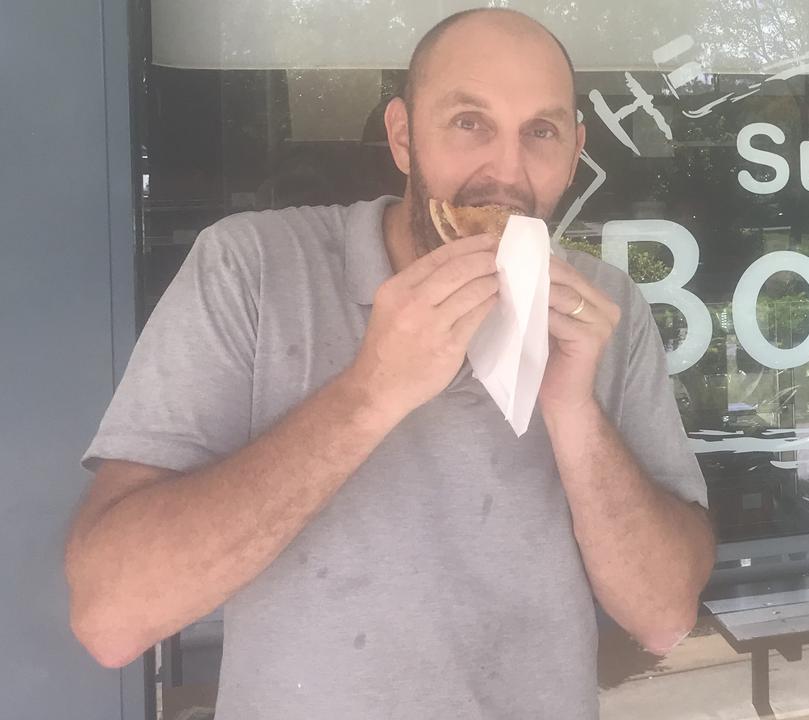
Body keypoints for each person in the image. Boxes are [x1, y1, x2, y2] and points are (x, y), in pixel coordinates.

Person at [64, 8, 715, 719]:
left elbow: (663, 615)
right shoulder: (251, 266)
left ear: (574, 151)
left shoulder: (602, 307)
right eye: (469, 122)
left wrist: (572, 409)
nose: (506, 172)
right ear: (403, 137)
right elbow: (110, 618)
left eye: (541, 132)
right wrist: (372, 392)